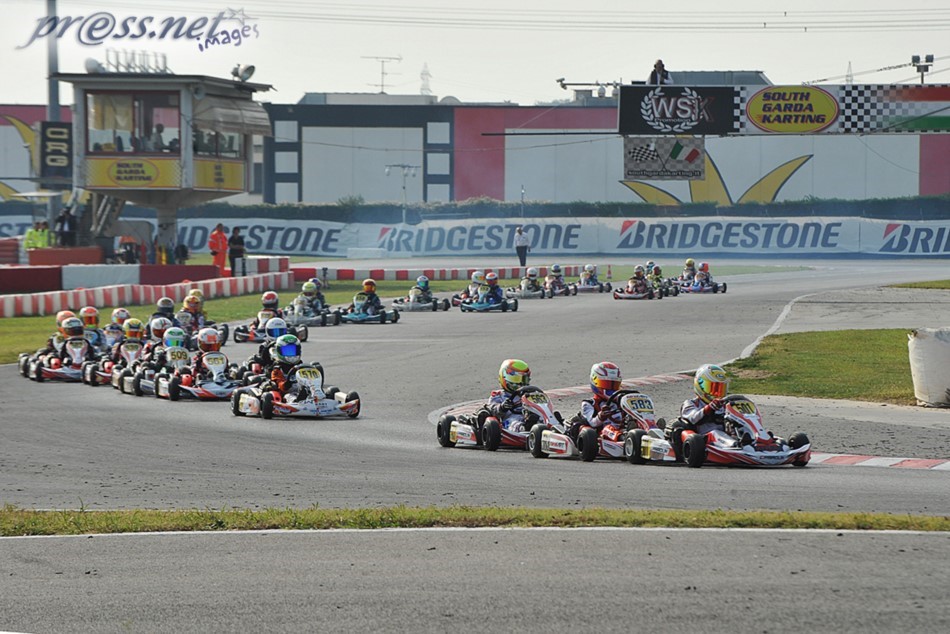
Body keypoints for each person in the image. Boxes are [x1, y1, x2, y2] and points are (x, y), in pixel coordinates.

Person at [568, 362, 626, 442]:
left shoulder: (621, 401)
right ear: (594, 382)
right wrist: (600, 417)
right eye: (606, 384)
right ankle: (623, 439)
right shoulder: (589, 404)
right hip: (599, 436)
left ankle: (633, 437)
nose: (610, 388)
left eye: (614, 385)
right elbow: (592, 423)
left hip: (622, 431)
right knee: (607, 429)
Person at [680, 364, 732, 437]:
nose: (717, 394)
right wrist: (709, 408)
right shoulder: (691, 403)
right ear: (700, 385)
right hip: (705, 438)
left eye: (720, 389)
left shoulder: (725, 405)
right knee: (716, 433)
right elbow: (694, 418)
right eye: (713, 389)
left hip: (726, 437)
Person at [485, 358, 533, 432]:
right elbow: (492, 409)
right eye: (516, 379)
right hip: (509, 421)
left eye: (524, 379)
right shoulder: (499, 395)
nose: (520, 383)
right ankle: (523, 428)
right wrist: (502, 407)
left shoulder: (528, 394)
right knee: (513, 422)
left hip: (528, 417)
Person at [263, 334, 308, 402]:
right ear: (279, 351)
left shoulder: (302, 366)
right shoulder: (277, 369)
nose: (291, 354)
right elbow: (278, 383)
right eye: (287, 351)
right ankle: (296, 401)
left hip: (302, 390)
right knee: (289, 396)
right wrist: (286, 385)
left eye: (293, 351)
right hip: (286, 393)